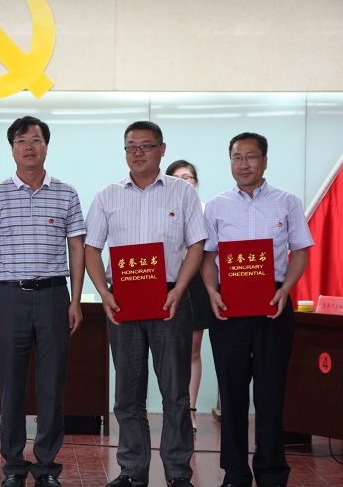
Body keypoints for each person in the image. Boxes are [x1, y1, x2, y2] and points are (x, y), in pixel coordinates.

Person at [85, 121, 208, 487]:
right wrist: (104, 292)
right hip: (123, 301)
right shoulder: (107, 195)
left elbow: (197, 244)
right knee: (127, 394)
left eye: (146, 145)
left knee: (175, 393)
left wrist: (180, 289)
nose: (138, 152)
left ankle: (178, 472)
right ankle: (132, 470)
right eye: (131, 146)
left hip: (170, 298)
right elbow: (91, 248)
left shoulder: (182, 193)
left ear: (162, 149)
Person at [201, 132, 313, 487]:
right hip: (228, 306)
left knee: (270, 392)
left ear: (265, 160)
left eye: (250, 156)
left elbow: (301, 252)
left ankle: (272, 472)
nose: (243, 164)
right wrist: (211, 291)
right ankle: (235, 473)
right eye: (237, 157)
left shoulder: (287, 202)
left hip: (272, 305)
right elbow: (208, 257)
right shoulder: (216, 205)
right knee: (231, 393)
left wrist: (285, 290)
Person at [0, 116, 86, 487]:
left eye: (36, 139)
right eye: (21, 140)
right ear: (12, 148)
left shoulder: (67, 193)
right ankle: (13, 466)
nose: (29, 146)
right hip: (10, 297)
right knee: (11, 386)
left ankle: (46, 467)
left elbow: (77, 248)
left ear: (46, 146)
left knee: (52, 386)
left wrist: (75, 299)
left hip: (54, 296)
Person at [165, 159, 210, 434]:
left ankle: (190, 412)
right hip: (167, 281)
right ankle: (172, 410)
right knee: (168, 351)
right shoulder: (160, 208)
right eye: (179, 178)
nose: (186, 182)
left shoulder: (205, 210)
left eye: (190, 177)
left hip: (196, 283)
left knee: (193, 350)